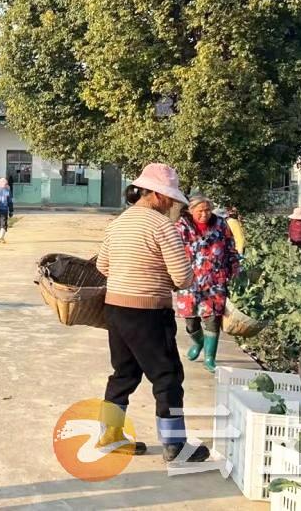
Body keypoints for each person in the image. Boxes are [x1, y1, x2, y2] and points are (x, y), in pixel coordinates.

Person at [93, 163, 210, 463]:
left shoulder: (118, 223)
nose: (172, 204)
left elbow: (102, 266)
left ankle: (110, 436)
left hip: (116, 309)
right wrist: (165, 277)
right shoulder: (162, 226)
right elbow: (183, 276)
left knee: (123, 373)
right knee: (167, 376)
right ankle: (175, 445)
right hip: (148, 312)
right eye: (170, 198)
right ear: (157, 195)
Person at [175, 195, 241, 373]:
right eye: (200, 211)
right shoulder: (181, 227)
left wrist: (235, 267)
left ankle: (210, 358)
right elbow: (173, 252)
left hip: (215, 280)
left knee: (212, 319)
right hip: (190, 281)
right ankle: (199, 342)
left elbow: (230, 247)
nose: (204, 214)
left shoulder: (220, 224)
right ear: (191, 211)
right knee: (191, 321)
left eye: (207, 210)